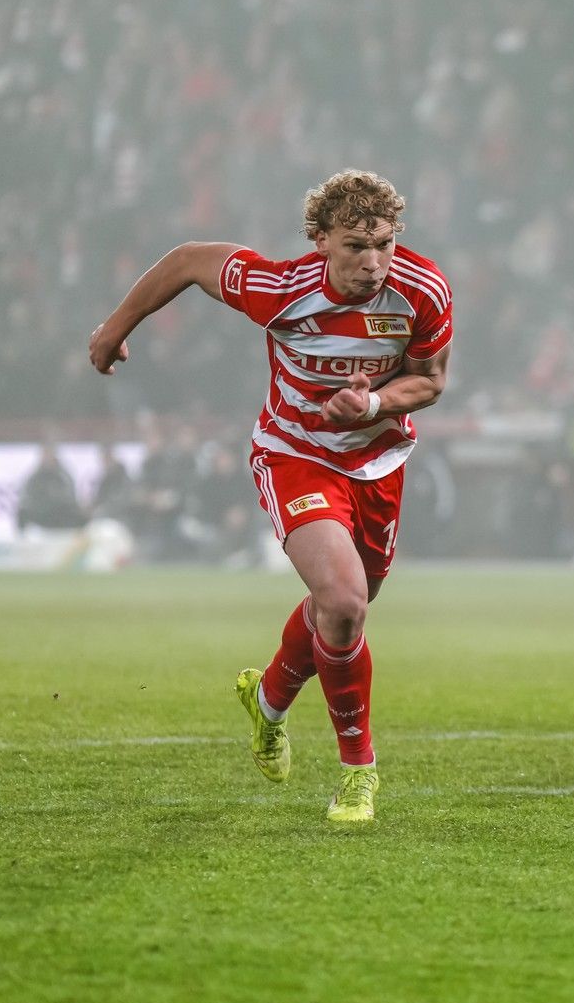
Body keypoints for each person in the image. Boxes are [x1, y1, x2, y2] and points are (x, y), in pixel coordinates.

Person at [87, 170, 451, 824]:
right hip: (296, 457)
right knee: (343, 600)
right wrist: (116, 324)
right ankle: (358, 771)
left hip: (379, 465)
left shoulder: (422, 291)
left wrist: (372, 400)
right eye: (354, 247)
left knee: (341, 608)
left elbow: (429, 381)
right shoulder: (280, 287)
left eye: (385, 244)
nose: (373, 262)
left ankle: (269, 700)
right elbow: (189, 260)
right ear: (319, 241)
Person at [17, 441, 86, 531]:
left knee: (79, 515)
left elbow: (70, 496)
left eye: (49, 454)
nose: (47, 458)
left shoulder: (63, 474)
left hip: (59, 512)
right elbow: (28, 496)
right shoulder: (35, 476)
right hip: (42, 512)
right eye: (45, 454)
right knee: (22, 513)